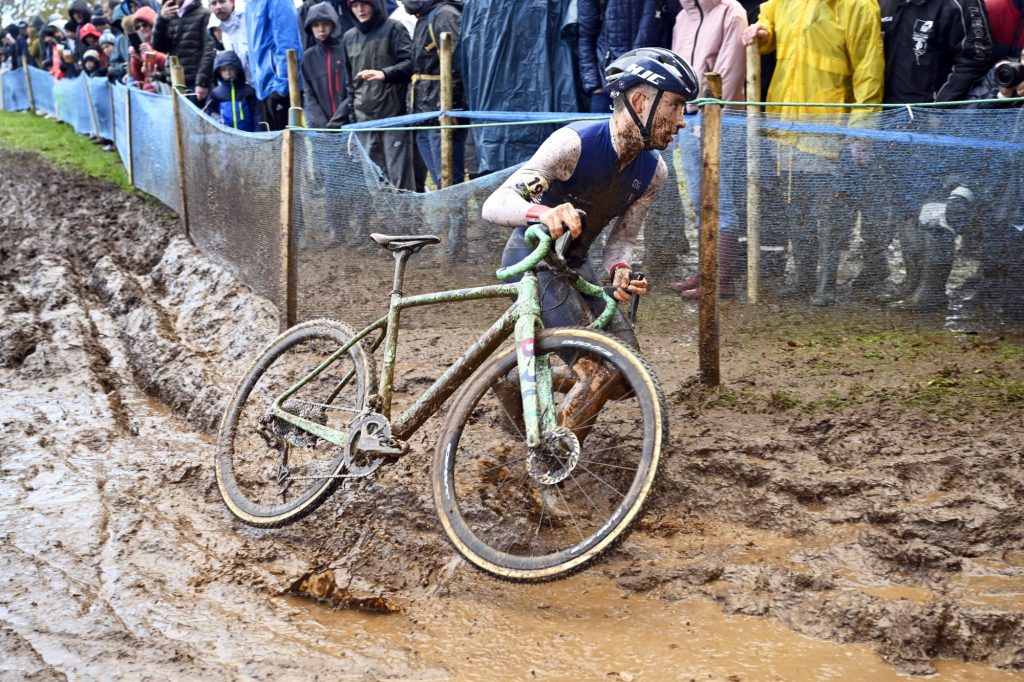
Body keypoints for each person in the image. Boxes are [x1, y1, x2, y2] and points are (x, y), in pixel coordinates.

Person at [482, 48, 697, 434]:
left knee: (629, 375)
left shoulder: (654, 173)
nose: (682, 120)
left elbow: (621, 242)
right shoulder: (573, 144)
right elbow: (495, 204)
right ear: (639, 100)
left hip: (577, 265)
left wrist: (620, 271)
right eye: (677, 105)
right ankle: (551, 468)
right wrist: (542, 213)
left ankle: (519, 384)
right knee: (598, 372)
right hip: (534, 258)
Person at [850, 0, 994, 305]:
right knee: (903, 208)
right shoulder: (884, 3)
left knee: (934, 208)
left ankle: (931, 290)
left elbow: (975, 56)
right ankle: (912, 281)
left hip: (937, 127)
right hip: (891, 122)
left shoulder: (958, 4)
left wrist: (940, 106)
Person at [742, 0, 884, 306]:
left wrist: (863, 128)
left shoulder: (858, 5)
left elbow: (868, 71)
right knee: (795, 207)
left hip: (828, 127)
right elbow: (770, 21)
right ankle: (804, 278)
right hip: (785, 124)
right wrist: (763, 32)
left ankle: (826, 283)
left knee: (829, 213)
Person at [668, 0, 747, 300]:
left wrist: (710, 117)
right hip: (686, 121)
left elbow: (728, 74)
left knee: (720, 199)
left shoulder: (732, 13)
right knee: (699, 199)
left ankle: (721, 279)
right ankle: (706, 270)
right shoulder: (681, 17)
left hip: (719, 121)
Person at [340, 0, 416, 190]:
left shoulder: (394, 29)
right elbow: (349, 83)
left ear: (375, 4)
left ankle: (407, 218)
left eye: (364, 4)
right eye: (354, 5)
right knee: (374, 179)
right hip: (364, 120)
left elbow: (411, 63)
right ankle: (384, 219)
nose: (360, 10)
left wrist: (385, 74)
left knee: (400, 178)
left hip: (394, 117)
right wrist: (353, 116)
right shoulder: (349, 37)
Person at [402, 0, 467, 187]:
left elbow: (457, 63)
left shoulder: (444, 15)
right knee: (440, 181)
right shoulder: (424, 18)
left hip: (442, 111)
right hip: (424, 113)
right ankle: (445, 216)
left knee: (449, 182)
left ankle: (454, 217)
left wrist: (453, 107)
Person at [576, 0, 662, 113]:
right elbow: (586, 35)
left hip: (652, 86)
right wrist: (594, 86)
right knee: (606, 130)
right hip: (607, 87)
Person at [246, 0, 304, 130]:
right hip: (263, 91)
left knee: (291, 146)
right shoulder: (250, 4)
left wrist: (281, 87)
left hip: (280, 90)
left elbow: (289, 43)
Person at [151, 0, 215, 100]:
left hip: (194, 84)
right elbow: (159, 46)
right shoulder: (168, 15)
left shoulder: (204, 14)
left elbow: (209, 50)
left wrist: (202, 82)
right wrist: (162, 19)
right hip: (173, 82)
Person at [203, 50, 261, 131]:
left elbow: (257, 115)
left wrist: (258, 133)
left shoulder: (249, 91)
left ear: (237, 69)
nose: (228, 73)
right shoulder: (216, 93)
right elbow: (208, 112)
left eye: (231, 69)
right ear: (219, 72)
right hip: (225, 137)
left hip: (249, 136)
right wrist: (219, 121)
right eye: (224, 70)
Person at [128, 7, 168, 92]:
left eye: (144, 25)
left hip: (163, 91)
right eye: (137, 27)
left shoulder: (163, 40)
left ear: (152, 24)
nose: (141, 28)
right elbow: (139, 78)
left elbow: (168, 63)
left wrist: (152, 53)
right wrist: (136, 60)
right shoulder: (143, 46)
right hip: (149, 94)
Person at [209, 0, 249, 80]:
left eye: (222, 1)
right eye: (214, 3)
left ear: (232, 2)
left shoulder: (249, 16)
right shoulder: (219, 26)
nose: (218, 7)